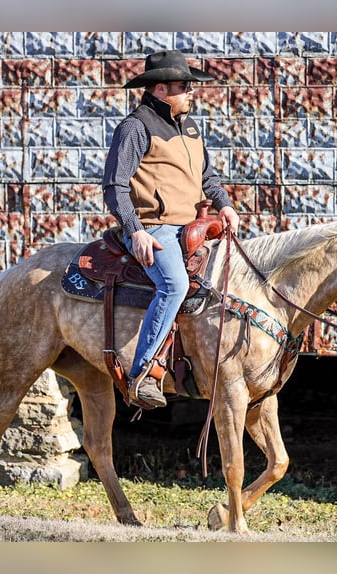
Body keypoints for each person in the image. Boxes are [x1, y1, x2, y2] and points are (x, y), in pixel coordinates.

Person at [102, 50, 240, 408]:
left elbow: (207, 175)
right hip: (155, 228)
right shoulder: (135, 127)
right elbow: (114, 186)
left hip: (194, 225)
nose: (191, 93)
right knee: (174, 284)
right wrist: (135, 231)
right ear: (160, 90)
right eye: (184, 87)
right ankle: (142, 374)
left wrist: (223, 203)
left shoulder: (190, 126)